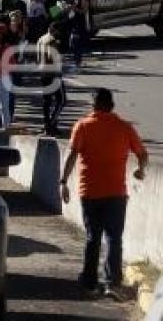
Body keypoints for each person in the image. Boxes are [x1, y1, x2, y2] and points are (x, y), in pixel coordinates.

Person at [60, 88, 148, 298]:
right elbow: (142, 153)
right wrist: (141, 170)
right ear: (112, 105)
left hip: (89, 191)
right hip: (116, 193)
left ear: (93, 106)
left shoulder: (83, 126)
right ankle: (111, 282)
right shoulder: (125, 128)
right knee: (114, 238)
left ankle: (89, 281)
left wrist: (63, 181)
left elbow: (72, 154)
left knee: (93, 238)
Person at [37, 23, 65, 136]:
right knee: (61, 100)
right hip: (53, 73)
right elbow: (51, 56)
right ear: (54, 30)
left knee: (46, 102)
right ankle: (50, 125)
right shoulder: (52, 41)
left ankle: (48, 124)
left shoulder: (41, 39)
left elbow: (38, 56)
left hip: (43, 73)